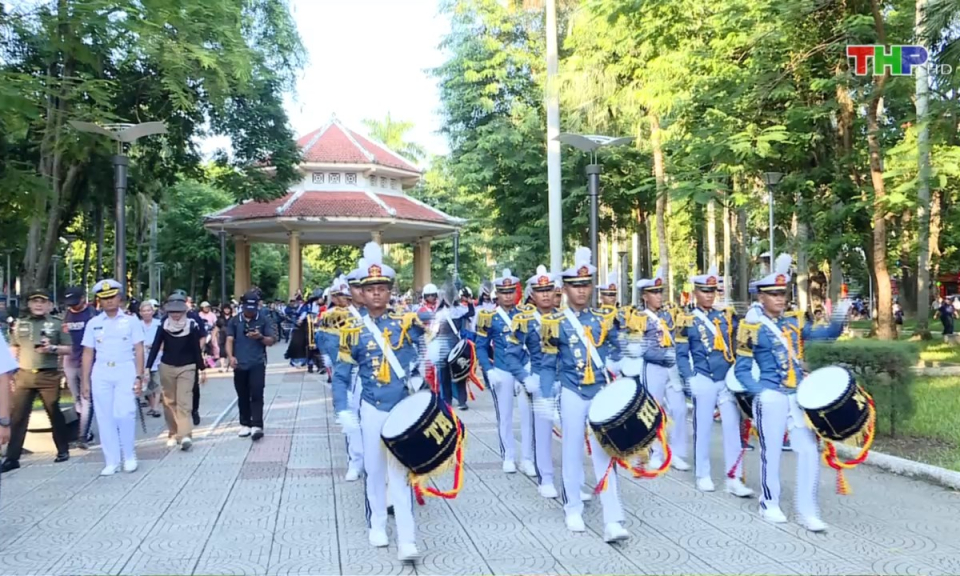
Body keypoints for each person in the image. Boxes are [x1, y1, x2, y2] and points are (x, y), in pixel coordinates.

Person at [735, 254, 847, 532]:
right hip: (771, 395)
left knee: (809, 450)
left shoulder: (794, 322)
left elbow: (824, 336)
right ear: (761, 297)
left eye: (782, 294)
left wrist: (840, 317)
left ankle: (807, 510)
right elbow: (742, 370)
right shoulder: (751, 327)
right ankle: (769, 503)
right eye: (773, 294)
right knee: (770, 452)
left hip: (796, 396)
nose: (780, 299)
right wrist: (760, 392)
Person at [332, 242, 425, 561]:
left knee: (400, 472)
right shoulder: (352, 329)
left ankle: (408, 537)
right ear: (360, 291)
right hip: (371, 405)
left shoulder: (406, 322)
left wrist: (419, 377)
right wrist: (342, 408)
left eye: (382, 288)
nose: (376, 294)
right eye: (370, 288)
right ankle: (377, 523)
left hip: (401, 406)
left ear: (389, 291)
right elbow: (342, 375)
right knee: (373, 469)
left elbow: (420, 356)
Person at [533, 247, 628, 542]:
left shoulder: (604, 318)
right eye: (576, 285)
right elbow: (548, 365)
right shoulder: (554, 323)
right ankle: (572, 506)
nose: (582, 291)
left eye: (586, 285)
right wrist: (546, 396)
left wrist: (620, 363)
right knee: (572, 451)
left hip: (599, 391)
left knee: (605, 453)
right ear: (565, 289)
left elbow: (619, 347)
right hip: (572, 390)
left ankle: (613, 519)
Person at [676, 266, 752, 497]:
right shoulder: (687, 319)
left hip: (725, 378)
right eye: (704, 291)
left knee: (732, 428)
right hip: (703, 377)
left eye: (712, 291)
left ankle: (734, 477)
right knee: (704, 427)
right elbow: (680, 353)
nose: (709, 295)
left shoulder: (725, 316)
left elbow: (739, 345)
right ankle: (703, 473)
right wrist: (689, 379)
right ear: (696, 292)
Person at [1, 288, 72, 473]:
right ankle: (12, 457)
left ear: (49, 305)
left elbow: (69, 349)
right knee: (18, 416)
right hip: (24, 374)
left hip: (48, 375)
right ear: (30, 304)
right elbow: (14, 349)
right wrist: (11, 374)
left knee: (53, 412)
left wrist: (53, 348)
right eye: (35, 301)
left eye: (43, 301)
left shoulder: (57, 324)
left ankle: (63, 450)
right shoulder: (20, 324)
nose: (39, 304)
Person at [81, 279, 146, 475]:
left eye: (112, 297)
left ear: (119, 298)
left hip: (125, 368)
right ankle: (111, 460)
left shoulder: (131, 321)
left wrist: (139, 375)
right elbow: (87, 353)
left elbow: (139, 349)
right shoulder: (93, 323)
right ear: (99, 300)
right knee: (104, 416)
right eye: (104, 298)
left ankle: (129, 455)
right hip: (101, 371)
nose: (109, 301)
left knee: (124, 413)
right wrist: (85, 381)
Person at [475, 268, 534, 476]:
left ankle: (527, 458)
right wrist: (488, 369)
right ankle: (508, 455)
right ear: (497, 294)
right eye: (503, 292)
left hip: (523, 367)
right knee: (505, 415)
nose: (508, 296)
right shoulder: (488, 316)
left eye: (511, 292)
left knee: (528, 416)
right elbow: (480, 345)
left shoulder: (526, 315)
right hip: (501, 368)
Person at [632, 267, 691, 472]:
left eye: (660, 292)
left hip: (671, 367)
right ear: (645, 296)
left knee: (680, 408)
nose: (658, 296)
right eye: (654, 293)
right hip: (653, 367)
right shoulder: (639, 317)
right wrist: (663, 356)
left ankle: (675, 452)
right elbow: (640, 348)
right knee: (655, 411)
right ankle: (656, 452)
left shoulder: (669, 315)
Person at [518, 265, 560, 498]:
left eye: (548, 290)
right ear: (532, 294)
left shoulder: (565, 318)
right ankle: (545, 477)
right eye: (540, 290)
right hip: (537, 378)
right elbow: (513, 351)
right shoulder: (526, 319)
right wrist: (524, 376)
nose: (545, 294)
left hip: (565, 380)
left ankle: (575, 483)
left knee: (570, 434)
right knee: (541, 430)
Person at [145, 294, 206, 450]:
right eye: (172, 312)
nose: (176, 315)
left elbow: (196, 349)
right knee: (169, 402)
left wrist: (202, 369)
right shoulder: (163, 325)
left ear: (184, 311)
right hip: (167, 366)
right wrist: (147, 367)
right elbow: (155, 346)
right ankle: (173, 432)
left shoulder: (192, 325)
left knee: (184, 402)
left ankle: (185, 435)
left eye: (178, 311)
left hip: (188, 367)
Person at [226, 290, 275, 441]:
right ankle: (245, 423)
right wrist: (230, 356)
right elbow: (229, 339)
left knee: (257, 392)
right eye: (247, 309)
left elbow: (272, 341)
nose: (250, 312)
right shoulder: (234, 321)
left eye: (253, 309)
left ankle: (257, 425)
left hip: (257, 362)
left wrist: (260, 337)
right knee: (242, 394)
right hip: (240, 363)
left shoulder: (264, 319)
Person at [61, 285, 96, 447]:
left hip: (88, 361)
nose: (73, 306)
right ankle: (81, 429)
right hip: (70, 360)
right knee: (76, 398)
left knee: (86, 396)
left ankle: (83, 435)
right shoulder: (66, 315)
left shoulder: (92, 314)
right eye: (70, 303)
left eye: (75, 302)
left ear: (83, 298)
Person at [140, 300, 163, 418]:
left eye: (149, 310)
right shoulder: (138, 325)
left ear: (153, 312)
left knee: (157, 383)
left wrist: (157, 347)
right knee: (146, 385)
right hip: (142, 358)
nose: (146, 313)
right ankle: (152, 405)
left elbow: (163, 341)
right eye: (144, 311)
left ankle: (156, 408)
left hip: (157, 358)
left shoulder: (159, 324)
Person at [217, 303, 233, 371]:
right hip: (222, 335)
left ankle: (230, 365)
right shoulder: (220, 319)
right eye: (225, 309)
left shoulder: (233, 318)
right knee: (222, 350)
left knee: (231, 350)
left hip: (230, 335)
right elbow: (216, 328)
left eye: (228, 309)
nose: (227, 310)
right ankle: (222, 366)